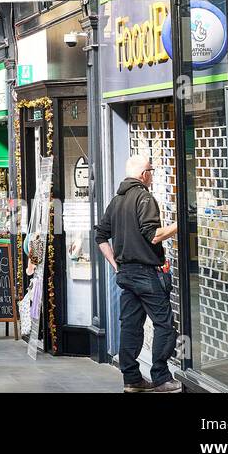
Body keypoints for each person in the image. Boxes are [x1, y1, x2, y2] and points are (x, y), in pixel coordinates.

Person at [95, 154, 181, 393]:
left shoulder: (116, 201)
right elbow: (153, 235)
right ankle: (161, 378)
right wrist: (181, 223)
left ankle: (132, 379)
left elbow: (100, 236)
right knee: (164, 325)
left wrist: (115, 265)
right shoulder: (145, 197)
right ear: (144, 174)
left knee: (130, 326)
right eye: (151, 171)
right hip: (146, 274)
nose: (152, 175)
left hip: (126, 274)